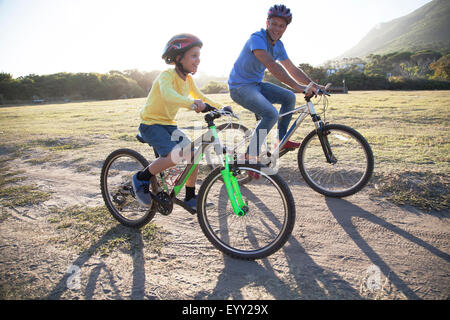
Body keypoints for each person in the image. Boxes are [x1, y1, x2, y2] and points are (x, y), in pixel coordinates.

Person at [132, 34, 223, 210]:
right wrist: (192, 104)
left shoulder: (188, 79)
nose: (198, 60)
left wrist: (222, 107)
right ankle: (141, 178)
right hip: (150, 124)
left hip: (168, 124)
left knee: (194, 155)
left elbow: (200, 96)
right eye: (194, 55)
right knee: (175, 156)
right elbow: (169, 95)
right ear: (178, 58)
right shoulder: (166, 75)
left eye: (199, 55)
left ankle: (189, 196)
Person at [228, 4, 325, 159]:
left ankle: (282, 140)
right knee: (271, 114)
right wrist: (299, 87)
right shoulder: (257, 38)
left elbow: (292, 69)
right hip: (240, 87)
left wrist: (312, 84)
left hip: (256, 85)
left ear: (285, 28)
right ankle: (250, 156)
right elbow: (272, 66)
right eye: (274, 24)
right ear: (267, 23)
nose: (277, 29)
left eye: (281, 26)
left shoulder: (279, 46)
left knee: (289, 97)